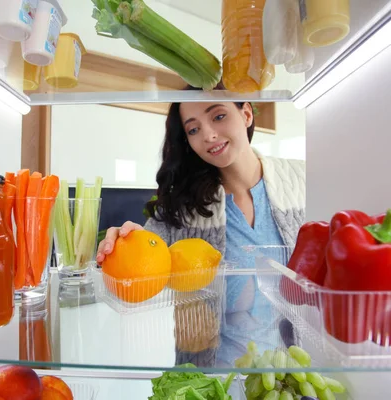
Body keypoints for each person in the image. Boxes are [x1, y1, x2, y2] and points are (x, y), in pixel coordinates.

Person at [96, 85, 305, 367]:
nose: (208, 135)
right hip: (211, 380)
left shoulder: (299, 180)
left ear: (245, 114)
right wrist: (120, 246)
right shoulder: (181, 206)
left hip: (291, 378)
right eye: (193, 130)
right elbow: (133, 279)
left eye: (218, 116)